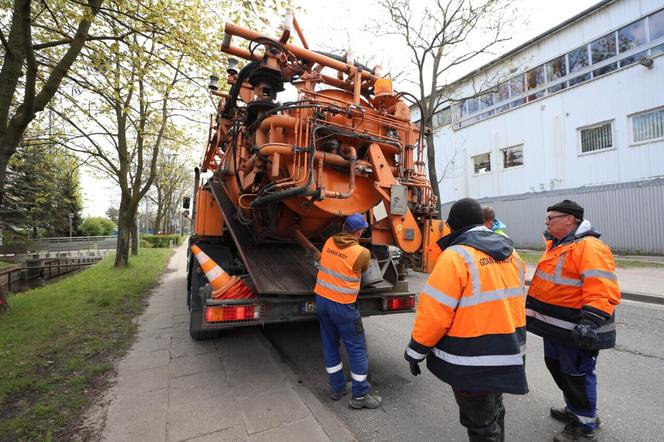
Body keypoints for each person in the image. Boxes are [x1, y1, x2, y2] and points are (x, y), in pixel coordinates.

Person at [405, 198, 528, 441]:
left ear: (453, 226)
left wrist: (416, 351)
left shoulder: (455, 256)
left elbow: (435, 313)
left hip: (473, 359)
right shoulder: (511, 252)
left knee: (480, 424)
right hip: (509, 351)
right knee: (494, 411)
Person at [526, 200, 620, 442]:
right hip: (557, 328)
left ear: (569, 219)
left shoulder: (589, 246)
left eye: (551, 218)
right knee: (557, 367)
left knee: (577, 375)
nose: (547, 222)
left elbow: (601, 287)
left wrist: (589, 322)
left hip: (577, 329)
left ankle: (584, 425)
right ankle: (576, 409)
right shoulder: (560, 245)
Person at [313, 213, 382, 409]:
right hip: (342, 305)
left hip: (322, 301)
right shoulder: (361, 253)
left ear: (343, 226)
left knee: (330, 345)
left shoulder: (328, 242)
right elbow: (365, 270)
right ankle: (359, 396)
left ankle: (337, 388)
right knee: (357, 348)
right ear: (359, 232)